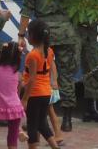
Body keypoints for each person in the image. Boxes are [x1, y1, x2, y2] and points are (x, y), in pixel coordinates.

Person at [20, 0, 80, 132]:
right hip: (66, 32)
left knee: (40, 75)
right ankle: (67, 120)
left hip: (42, 33)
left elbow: (26, 11)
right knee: (66, 75)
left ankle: (39, 117)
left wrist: (21, 35)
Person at [22, 19, 63, 149]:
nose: (27, 36)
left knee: (32, 125)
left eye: (28, 33)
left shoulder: (32, 55)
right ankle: (55, 146)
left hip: (35, 94)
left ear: (33, 36)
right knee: (42, 124)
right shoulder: (49, 51)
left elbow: (32, 79)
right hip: (46, 93)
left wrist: (25, 99)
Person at [75, 22, 98, 122]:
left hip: (91, 37)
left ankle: (90, 110)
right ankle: (66, 114)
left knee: (94, 71)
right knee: (69, 69)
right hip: (74, 33)